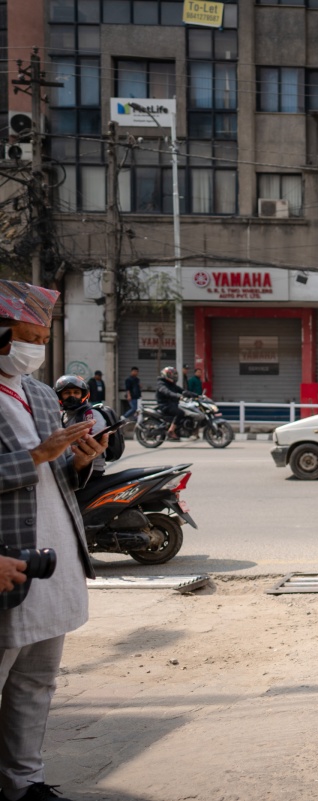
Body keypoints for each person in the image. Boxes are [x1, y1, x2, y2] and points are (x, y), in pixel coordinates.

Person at [0, 279, 108, 801]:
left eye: (43, 338)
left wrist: (79, 460)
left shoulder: (41, 394)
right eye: (28, 335)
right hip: (8, 560)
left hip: (52, 557)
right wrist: (37, 457)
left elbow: (59, 475)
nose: (37, 347)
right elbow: (36, 462)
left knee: (37, 681)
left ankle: (26, 782)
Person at [53, 376, 106, 475]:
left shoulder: (91, 414)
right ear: (60, 396)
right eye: (67, 393)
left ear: (83, 395)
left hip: (91, 468)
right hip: (69, 466)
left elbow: (94, 438)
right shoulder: (62, 415)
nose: (72, 396)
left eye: (76, 393)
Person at [155, 366, 191, 441]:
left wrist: (196, 395)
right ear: (166, 375)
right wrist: (177, 396)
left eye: (174, 375)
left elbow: (183, 391)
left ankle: (179, 430)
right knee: (180, 413)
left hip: (172, 404)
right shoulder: (161, 384)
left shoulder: (171, 384)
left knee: (187, 413)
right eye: (172, 375)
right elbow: (167, 392)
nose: (173, 376)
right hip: (165, 405)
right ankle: (171, 431)